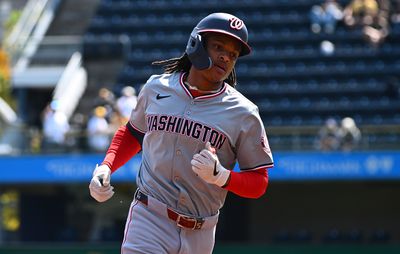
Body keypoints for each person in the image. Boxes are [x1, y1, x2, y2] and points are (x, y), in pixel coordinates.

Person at [88, 12, 273, 254]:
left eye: (233, 54)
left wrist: (222, 176)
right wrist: (107, 166)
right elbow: (133, 133)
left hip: (202, 231)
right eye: (218, 47)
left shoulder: (243, 113)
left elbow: (258, 182)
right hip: (149, 218)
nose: (225, 57)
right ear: (196, 44)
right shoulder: (156, 87)